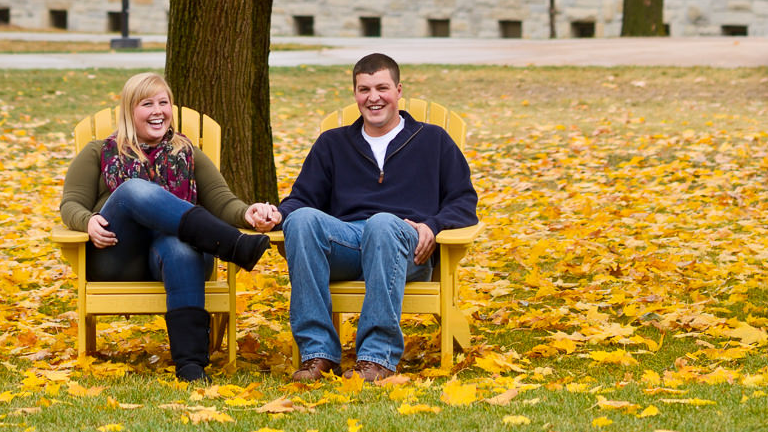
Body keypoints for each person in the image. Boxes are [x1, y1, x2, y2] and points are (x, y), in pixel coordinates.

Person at [60, 71, 282, 380]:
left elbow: (222, 200)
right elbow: (70, 204)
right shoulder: (99, 152)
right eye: (146, 104)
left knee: (179, 244)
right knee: (132, 190)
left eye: (163, 102)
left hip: (172, 259)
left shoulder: (187, 152)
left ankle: (191, 366)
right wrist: (87, 221)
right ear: (129, 111)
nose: (157, 111)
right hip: (118, 255)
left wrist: (249, 214)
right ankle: (232, 245)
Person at [279, 52, 478, 384]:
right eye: (363, 89)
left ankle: (376, 358)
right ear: (355, 94)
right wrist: (277, 213)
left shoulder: (433, 140)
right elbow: (301, 199)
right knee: (300, 221)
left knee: (382, 222)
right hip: (348, 243)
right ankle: (318, 355)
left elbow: (464, 201)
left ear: (399, 90)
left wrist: (433, 225)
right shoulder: (333, 143)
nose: (373, 97)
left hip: (405, 244)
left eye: (382, 87)